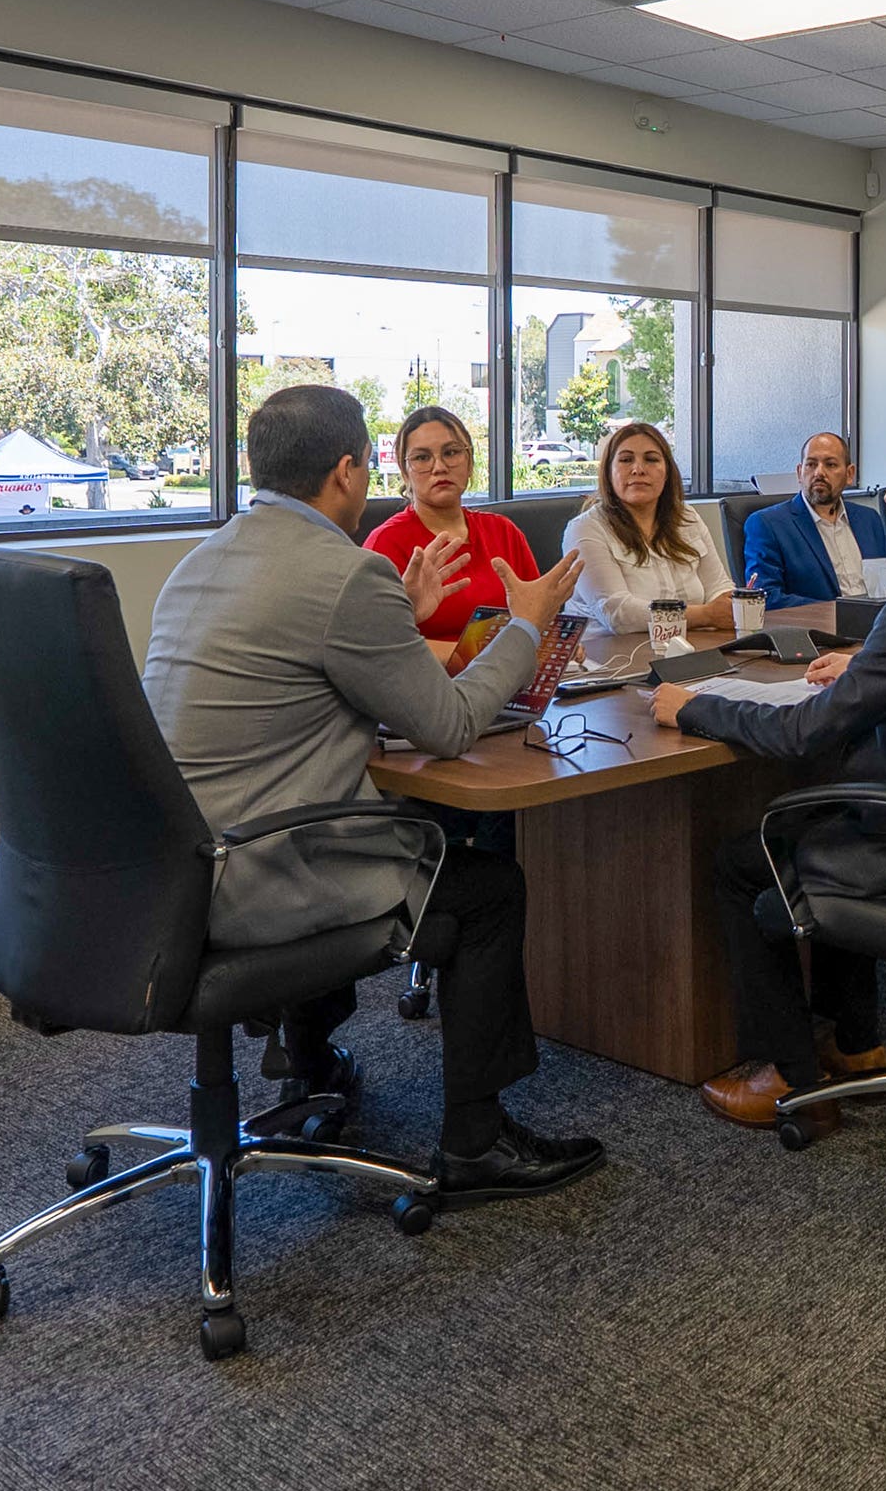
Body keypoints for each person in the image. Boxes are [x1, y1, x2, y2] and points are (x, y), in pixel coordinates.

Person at [142, 384, 602, 1206]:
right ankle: (476, 1140)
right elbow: (452, 726)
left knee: (398, 828)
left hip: (165, 866)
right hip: (255, 874)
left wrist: (406, 617)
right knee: (489, 889)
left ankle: (314, 1067)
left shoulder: (203, 559)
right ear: (351, 470)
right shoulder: (343, 570)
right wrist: (527, 623)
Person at [649, 408, 886, 1133]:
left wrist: (692, 707)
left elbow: (803, 731)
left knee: (749, 856)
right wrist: (875, 661)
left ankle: (787, 1074)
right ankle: (858, 1046)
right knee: (825, 812)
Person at [362, 405, 539, 666]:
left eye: (452, 452)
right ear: (404, 471)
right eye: (422, 458)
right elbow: (376, 646)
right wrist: (481, 657)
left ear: (469, 463)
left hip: (513, 679)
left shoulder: (503, 531)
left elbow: (537, 617)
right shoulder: (386, 543)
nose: (439, 467)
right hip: (433, 690)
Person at [562, 420, 735, 634]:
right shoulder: (585, 528)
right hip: (609, 656)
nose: (638, 469)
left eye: (651, 460)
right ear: (608, 472)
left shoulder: (686, 517)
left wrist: (726, 608)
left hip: (687, 648)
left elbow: (719, 586)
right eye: (626, 460)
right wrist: (706, 615)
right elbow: (617, 613)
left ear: (667, 472)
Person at [742, 430, 886, 609]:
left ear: (849, 474)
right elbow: (766, 597)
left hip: (879, 626)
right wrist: (842, 614)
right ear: (799, 473)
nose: (819, 473)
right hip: (818, 631)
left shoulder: (869, 520)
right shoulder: (767, 525)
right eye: (811, 465)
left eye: (830, 465)